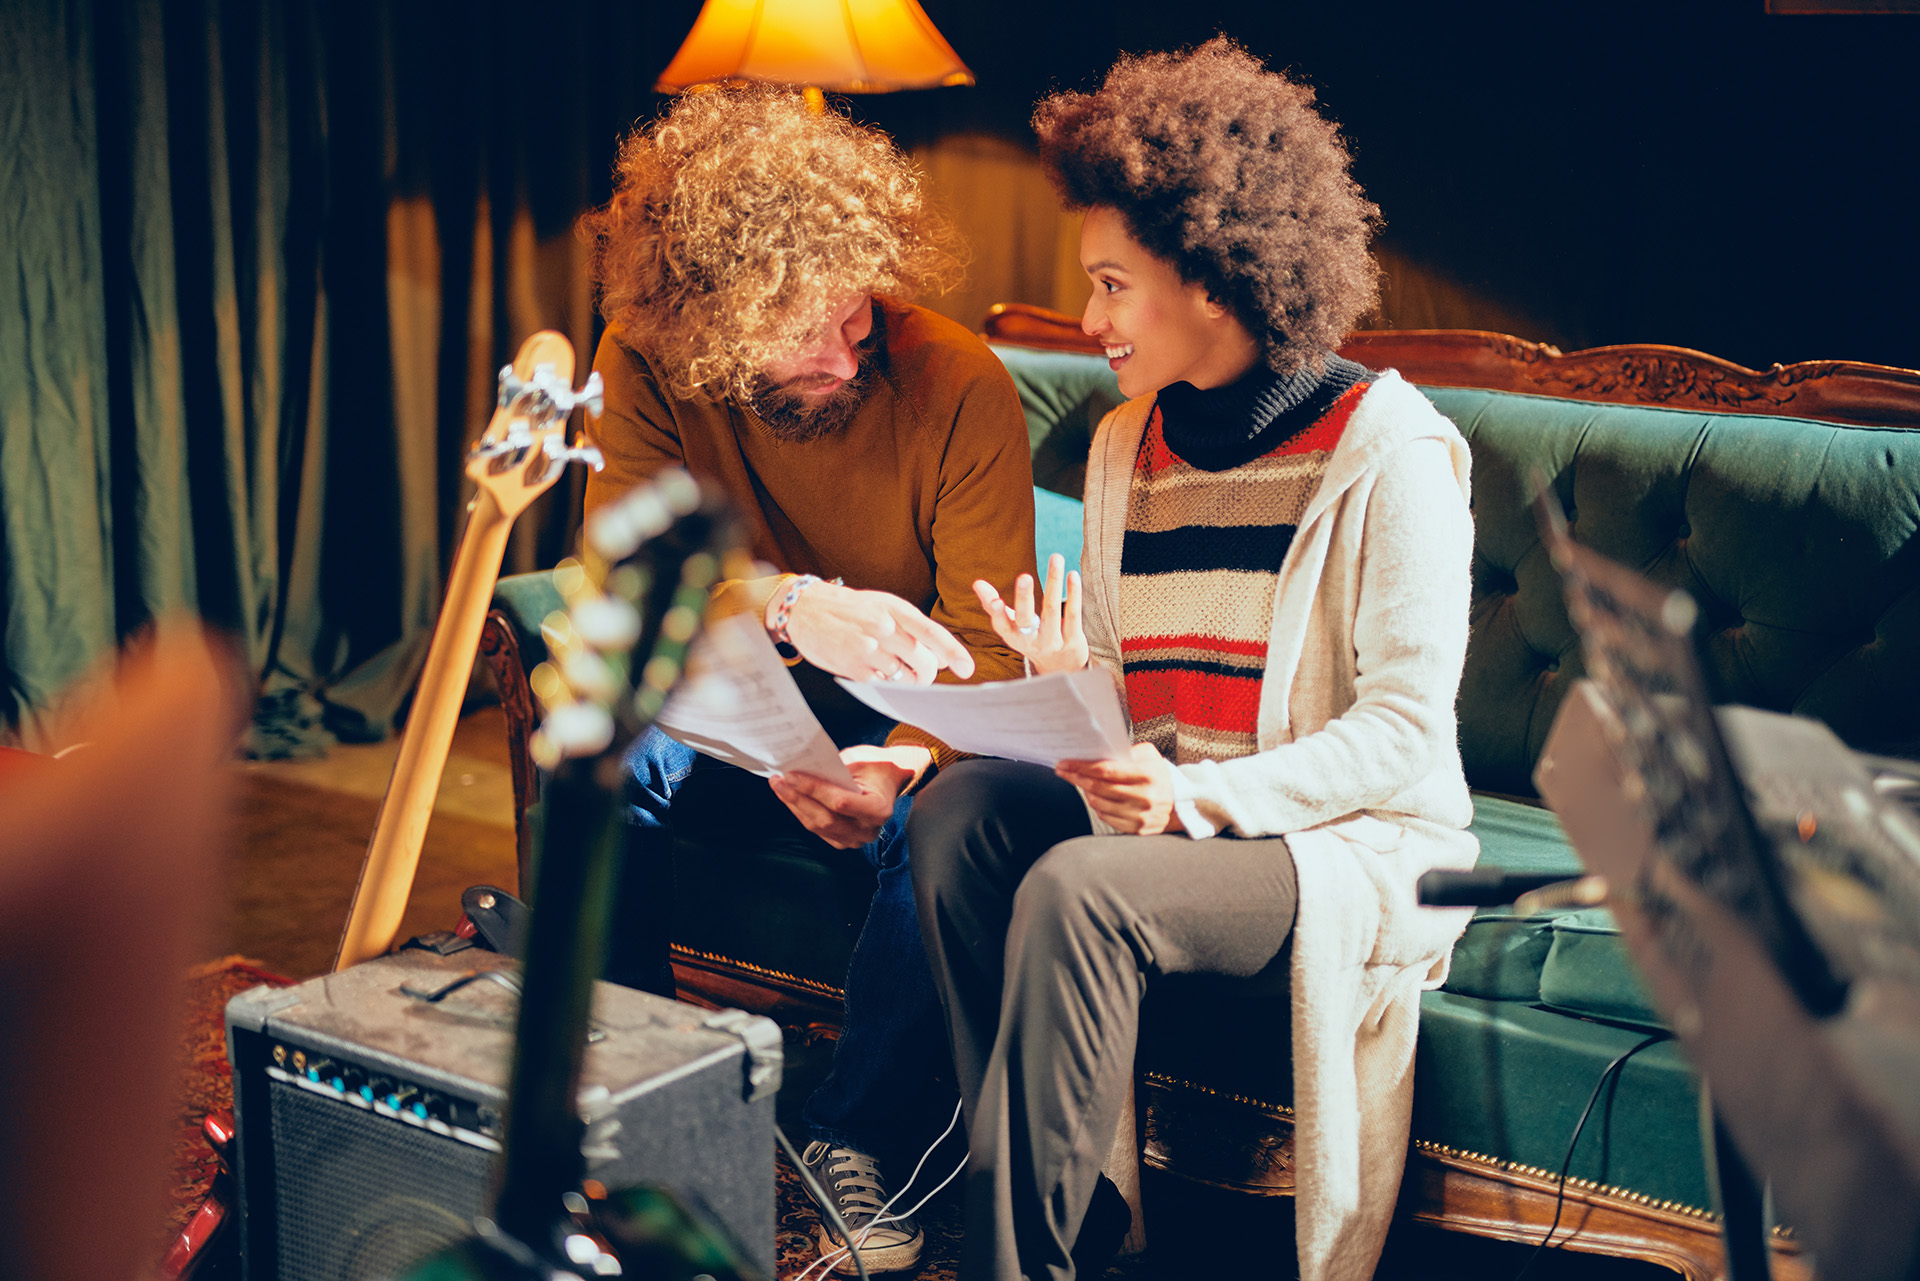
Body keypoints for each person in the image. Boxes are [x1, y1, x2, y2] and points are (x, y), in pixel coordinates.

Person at [906, 39, 1479, 1281]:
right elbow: (1130, 711)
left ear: (1215, 280)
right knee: (954, 813)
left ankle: (1023, 1260)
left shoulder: (1391, 453)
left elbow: (1403, 733)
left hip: (1341, 843)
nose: (1092, 320)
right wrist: (1070, 702)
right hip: (1177, 811)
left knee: (1081, 889)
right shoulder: (1127, 447)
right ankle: (1042, 1195)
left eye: (1114, 285)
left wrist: (1189, 797)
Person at [576, 86, 1036, 1275]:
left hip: (906, 720)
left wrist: (893, 761)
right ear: (710, 323)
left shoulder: (959, 381)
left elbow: (983, 644)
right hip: (735, 691)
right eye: (799, 328)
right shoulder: (645, 358)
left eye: (856, 312)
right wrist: (794, 605)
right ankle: (634, 1086)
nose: (846, 353)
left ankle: (857, 1132)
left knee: (941, 822)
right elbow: (629, 564)